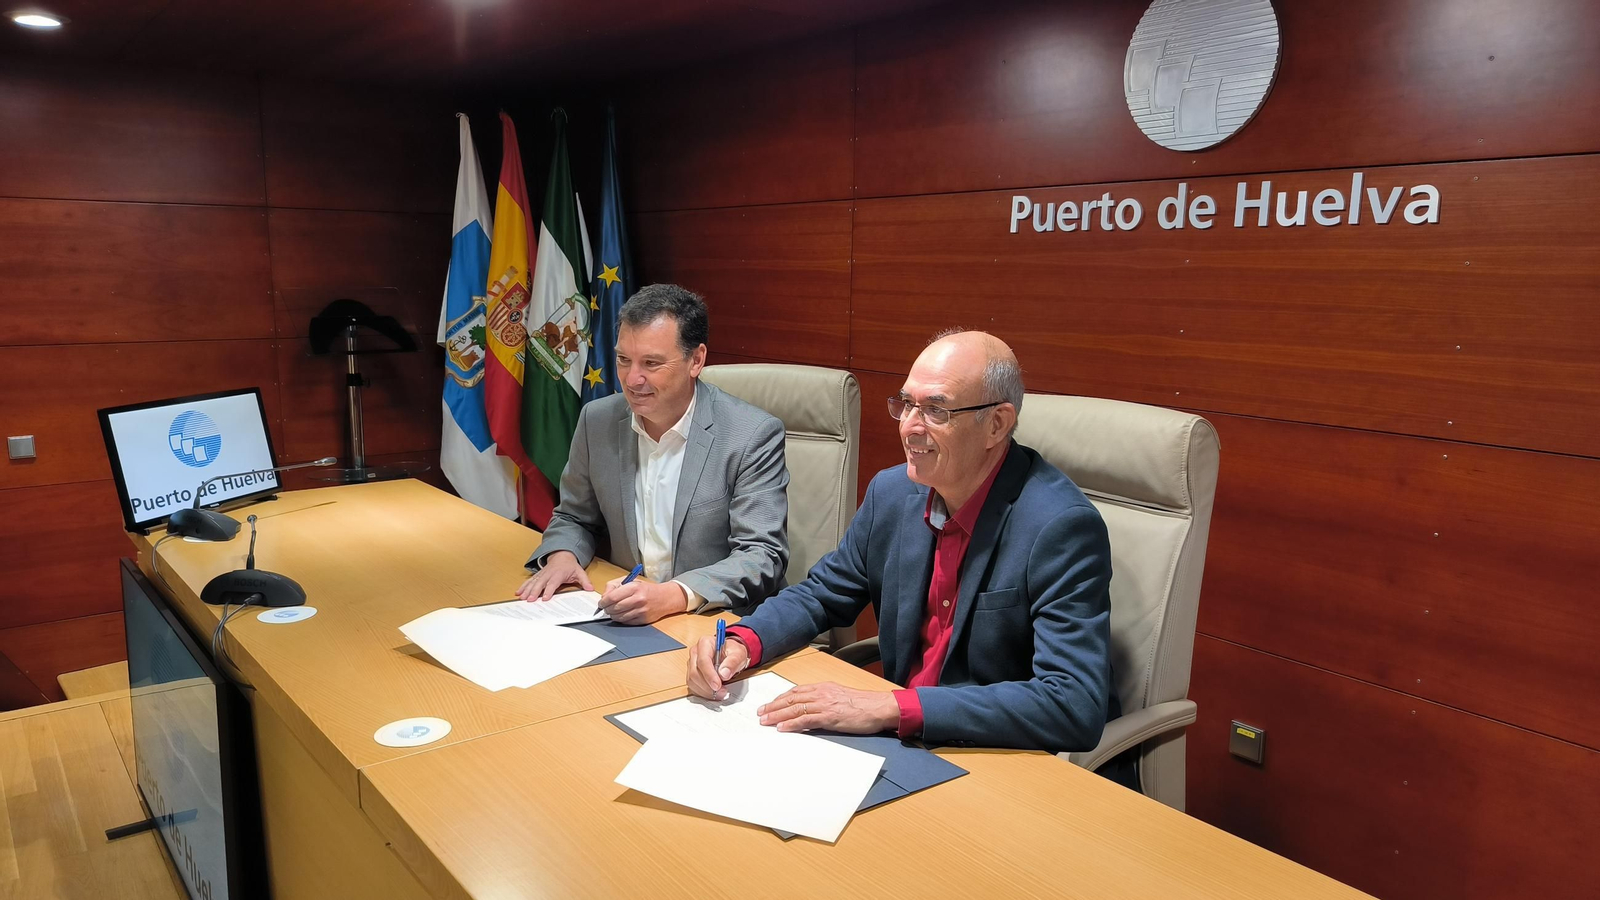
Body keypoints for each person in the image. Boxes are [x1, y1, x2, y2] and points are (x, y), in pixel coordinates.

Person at [687, 330, 1130, 782]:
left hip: (995, 760)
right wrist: (743, 642)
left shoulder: (1059, 526)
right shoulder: (893, 492)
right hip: (901, 745)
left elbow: (1072, 702)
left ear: (997, 424)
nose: (909, 426)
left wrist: (891, 706)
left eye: (935, 409)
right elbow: (822, 594)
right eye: (906, 403)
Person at [517, 284, 789, 624]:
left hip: (718, 623)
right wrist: (562, 555)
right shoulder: (597, 420)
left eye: (651, 363)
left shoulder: (750, 435)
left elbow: (761, 555)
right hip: (627, 617)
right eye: (623, 360)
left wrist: (674, 595)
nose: (632, 379)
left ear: (696, 360)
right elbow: (575, 517)